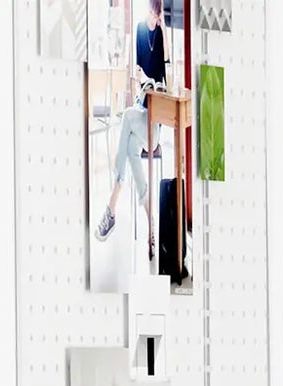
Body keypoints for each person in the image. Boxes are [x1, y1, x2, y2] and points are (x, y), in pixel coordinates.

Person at [95, 1, 169, 244]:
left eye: (156, 15)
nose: (152, 19)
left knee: (126, 117)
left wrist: (165, 31)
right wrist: (141, 80)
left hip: (153, 124)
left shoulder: (160, 36)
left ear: (159, 16)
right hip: (140, 109)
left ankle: (112, 205)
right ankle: (150, 223)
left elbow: (165, 73)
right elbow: (138, 75)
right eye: (150, 12)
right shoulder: (138, 30)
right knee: (129, 150)